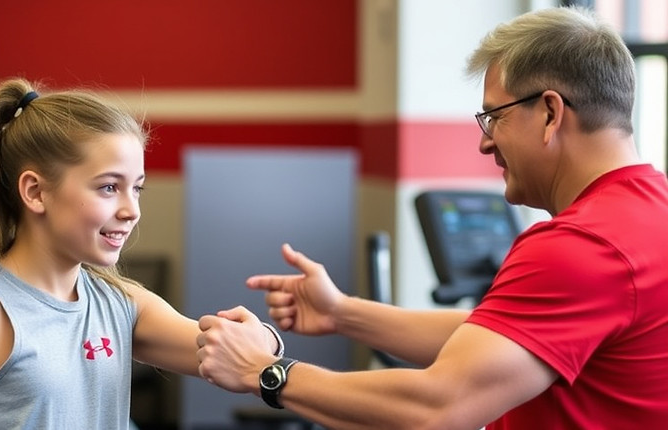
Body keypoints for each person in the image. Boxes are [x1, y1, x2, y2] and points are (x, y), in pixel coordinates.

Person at [195, 6, 668, 429]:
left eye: (494, 117)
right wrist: (345, 313)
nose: (485, 142)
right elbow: (501, 337)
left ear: (549, 113)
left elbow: (437, 407)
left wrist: (264, 373)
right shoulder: (651, 210)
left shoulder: (582, 246)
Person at [0, 78, 281, 429]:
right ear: (35, 192)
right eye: (108, 187)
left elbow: (222, 354)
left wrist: (263, 339)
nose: (131, 210)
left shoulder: (122, 305)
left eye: (136, 188)